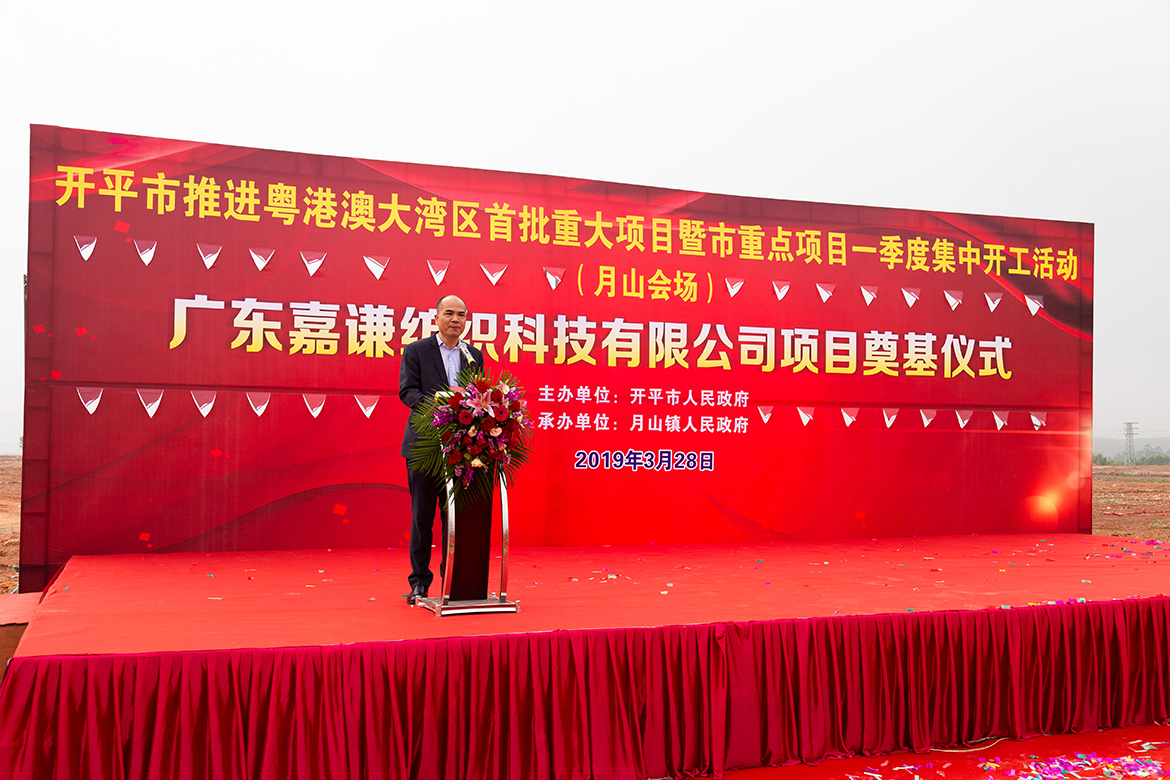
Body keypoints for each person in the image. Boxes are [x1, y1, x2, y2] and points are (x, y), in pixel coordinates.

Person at [399, 294, 484, 605]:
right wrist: (440, 409)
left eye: (461, 314)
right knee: (421, 517)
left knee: (455, 520)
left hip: (460, 448)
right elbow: (407, 391)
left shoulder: (473, 355)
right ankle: (419, 583)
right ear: (436, 318)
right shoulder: (416, 351)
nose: (455, 319)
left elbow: (478, 396)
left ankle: (453, 581)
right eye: (449, 313)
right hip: (424, 446)